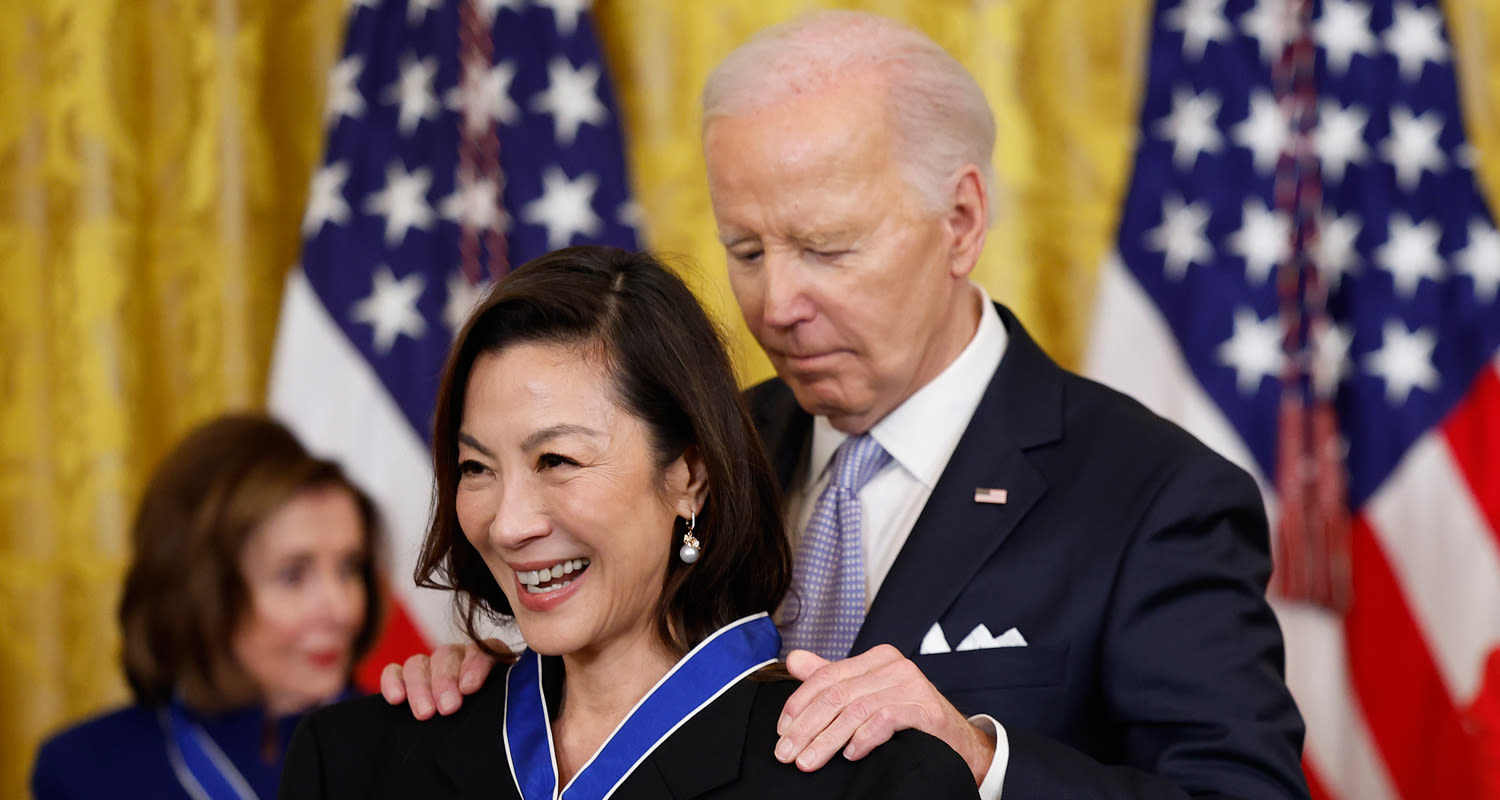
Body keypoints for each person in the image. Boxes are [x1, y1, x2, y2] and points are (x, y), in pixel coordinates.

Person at [384, 11, 1311, 799]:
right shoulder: (696, 449)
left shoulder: (1153, 495)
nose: (776, 303)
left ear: (962, 222)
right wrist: (496, 699)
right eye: (745, 251)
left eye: (825, 248)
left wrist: (981, 758)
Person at [277, 247, 979, 798]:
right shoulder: (353, 761)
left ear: (690, 476)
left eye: (557, 459)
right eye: (475, 468)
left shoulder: (875, 781)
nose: (509, 523)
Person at [30, 413, 382, 799]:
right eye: (293, 576)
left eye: (349, 568)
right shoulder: (83, 771)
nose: (343, 609)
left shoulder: (415, 747)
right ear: (201, 594)